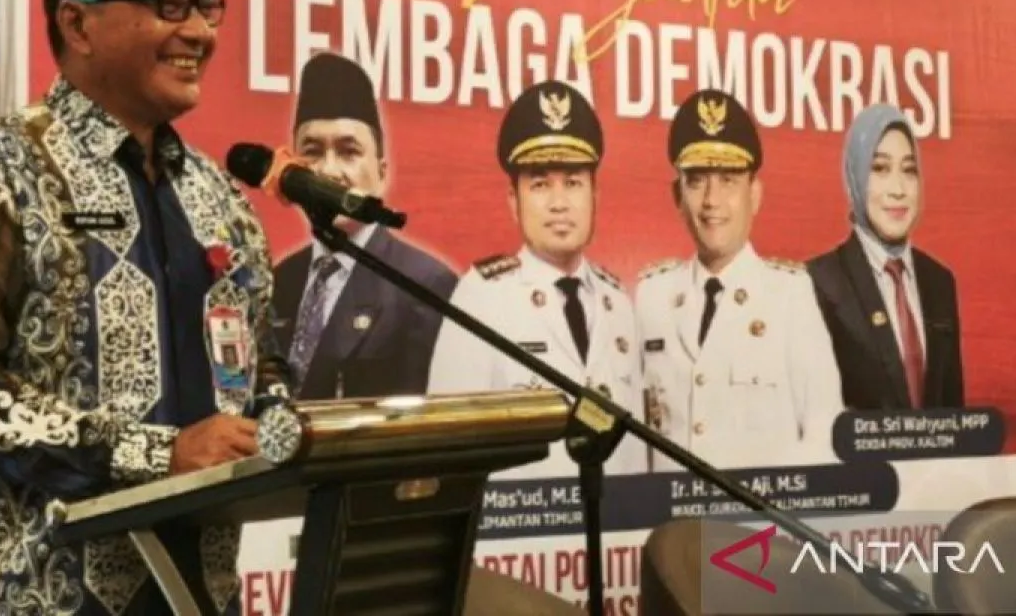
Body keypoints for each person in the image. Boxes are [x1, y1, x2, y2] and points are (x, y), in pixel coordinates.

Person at [0, 0, 290, 615]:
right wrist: (154, 453)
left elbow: (259, 362)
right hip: (29, 597)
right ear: (78, 23)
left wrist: (279, 424)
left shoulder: (220, 197)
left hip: (199, 596)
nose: (199, 31)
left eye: (206, 5)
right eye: (168, 3)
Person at [426, 80, 646, 479]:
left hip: (612, 516)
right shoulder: (481, 298)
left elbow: (635, 453)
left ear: (595, 195)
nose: (559, 203)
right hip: (518, 517)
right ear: (514, 200)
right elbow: (447, 445)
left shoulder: (618, 303)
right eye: (540, 184)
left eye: (573, 183)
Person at [636, 90, 844, 471]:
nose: (711, 200)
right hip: (669, 510)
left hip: (759, 510)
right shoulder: (652, 297)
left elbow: (823, 436)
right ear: (677, 196)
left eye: (728, 180)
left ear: (755, 194)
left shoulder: (789, 296)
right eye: (697, 181)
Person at [272, 51, 458, 399]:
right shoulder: (279, 280)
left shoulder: (425, 284)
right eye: (312, 152)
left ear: (382, 172)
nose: (328, 171)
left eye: (348, 151)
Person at [806, 103, 964, 411]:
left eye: (909, 170)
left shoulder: (939, 282)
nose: (898, 189)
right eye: (879, 168)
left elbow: (954, 414)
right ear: (854, 177)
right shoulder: (818, 282)